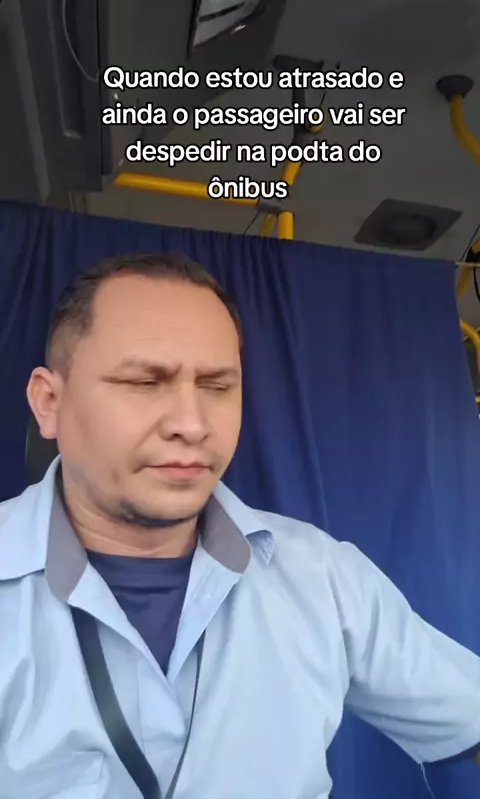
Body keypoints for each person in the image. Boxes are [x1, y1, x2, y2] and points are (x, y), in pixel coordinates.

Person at [0, 251, 479, 799]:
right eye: (143, 381)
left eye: (216, 386)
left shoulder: (322, 577)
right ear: (49, 402)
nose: (191, 424)